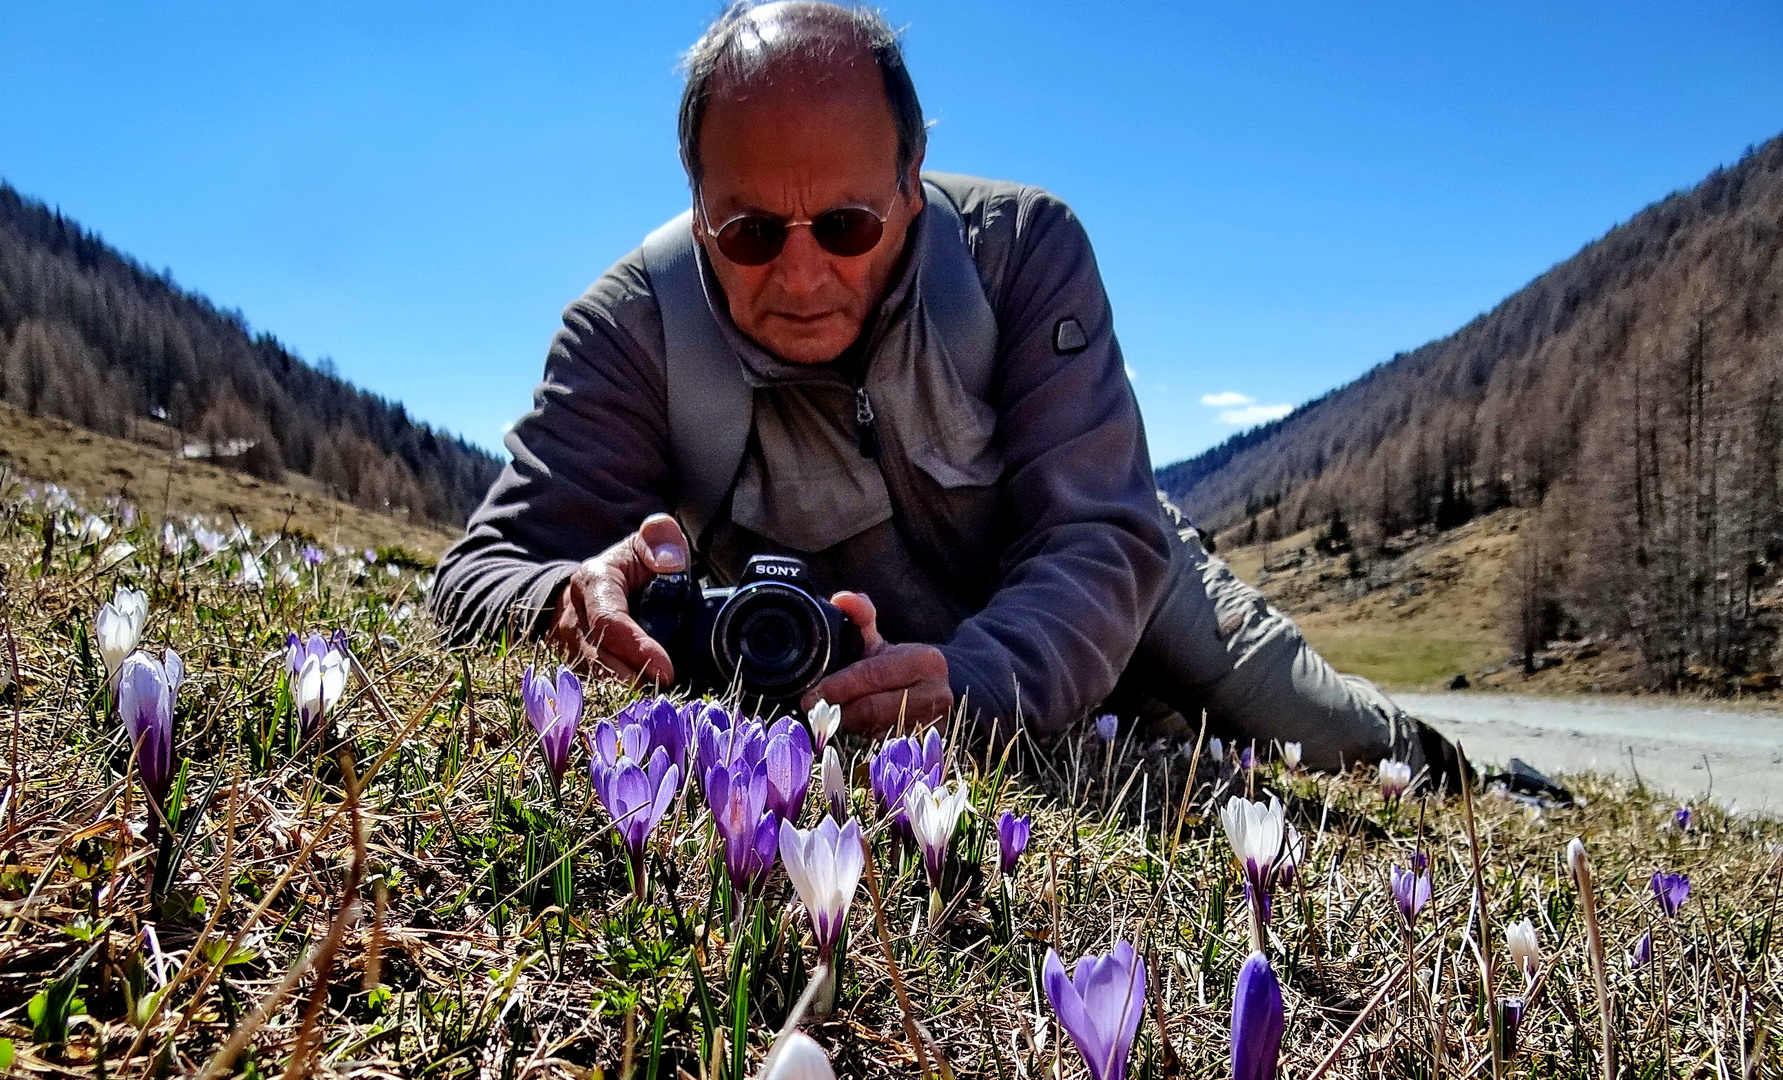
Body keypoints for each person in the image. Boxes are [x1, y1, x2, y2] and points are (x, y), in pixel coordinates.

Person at [430, 0, 1458, 780]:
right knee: (1164, 750)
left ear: (912, 179)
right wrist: (566, 604)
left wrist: (974, 688)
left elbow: (1098, 539)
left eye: (845, 226)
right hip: (903, 672)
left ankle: (1461, 768)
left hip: (1121, 585)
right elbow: (481, 573)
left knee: (1322, 730)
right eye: (746, 234)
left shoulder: (1023, 254)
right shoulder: (628, 329)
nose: (798, 277)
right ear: (696, 200)